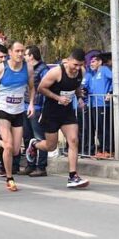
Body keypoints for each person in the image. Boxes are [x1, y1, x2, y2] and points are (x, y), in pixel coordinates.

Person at [26, 48, 90, 188]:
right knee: (51, 146)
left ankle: (73, 176)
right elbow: (41, 88)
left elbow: (76, 86)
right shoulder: (56, 72)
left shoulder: (82, 72)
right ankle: (34, 144)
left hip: (67, 112)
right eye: (75, 65)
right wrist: (58, 98)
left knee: (73, 140)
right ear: (68, 60)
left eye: (80, 65)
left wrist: (79, 97)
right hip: (51, 112)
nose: (77, 68)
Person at [0, 41, 34, 191]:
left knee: (15, 151)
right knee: (8, 145)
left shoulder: (28, 68)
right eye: (17, 51)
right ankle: (10, 179)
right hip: (2, 110)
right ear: (10, 52)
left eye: (22, 51)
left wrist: (31, 104)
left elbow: (32, 88)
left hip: (18, 111)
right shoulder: (1, 68)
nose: (20, 54)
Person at [23, 45, 49, 176]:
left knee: (39, 137)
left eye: (25, 54)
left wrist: (44, 110)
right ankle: (30, 164)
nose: (24, 57)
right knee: (27, 137)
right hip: (26, 106)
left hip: (38, 107)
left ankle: (41, 166)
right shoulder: (28, 69)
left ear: (31, 56)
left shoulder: (43, 69)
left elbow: (47, 88)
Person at [82, 53, 113, 158]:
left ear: (100, 62)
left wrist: (110, 92)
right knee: (98, 128)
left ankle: (108, 149)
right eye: (90, 62)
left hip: (104, 104)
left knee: (105, 127)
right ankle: (101, 149)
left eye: (94, 61)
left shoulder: (104, 69)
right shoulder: (92, 74)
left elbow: (114, 79)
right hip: (94, 104)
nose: (92, 63)